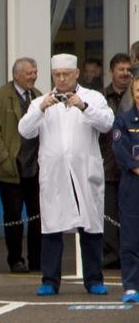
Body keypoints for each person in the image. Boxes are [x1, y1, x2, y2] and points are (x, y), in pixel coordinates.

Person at [17, 54, 114, 296]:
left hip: (85, 172)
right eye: (57, 75)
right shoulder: (41, 102)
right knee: (52, 226)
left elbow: (107, 123)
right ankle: (50, 280)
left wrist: (83, 107)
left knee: (90, 226)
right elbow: (25, 130)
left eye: (65, 74)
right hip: (54, 174)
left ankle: (94, 279)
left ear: (76, 74)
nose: (61, 79)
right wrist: (40, 109)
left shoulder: (93, 98)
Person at [0, 58, 42, 273]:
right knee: (13, 216)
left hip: (35, 167)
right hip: (11, 170)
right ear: (16, 74)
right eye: (29, 73)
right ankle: (15, 260)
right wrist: (7, 161)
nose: (33, 76)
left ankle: (37, 260)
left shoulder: (38, 95)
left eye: (35, 72)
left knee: (38, 216)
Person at [100, 53, 132, 270]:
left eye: (128, 69)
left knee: (130, 214)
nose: (124, 73)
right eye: (120, 69)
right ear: (111, 71)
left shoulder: (135, 97)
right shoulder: (100, 98)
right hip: (109, 166)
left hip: (132, 167)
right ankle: (111, 258)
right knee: (109, 217)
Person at [110, 78, 139, 303]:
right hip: (132, 185)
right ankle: (131, 285)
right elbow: (119, 149)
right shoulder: (123, 120)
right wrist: (135, 166)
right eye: (137, 90)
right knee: (130, 237)